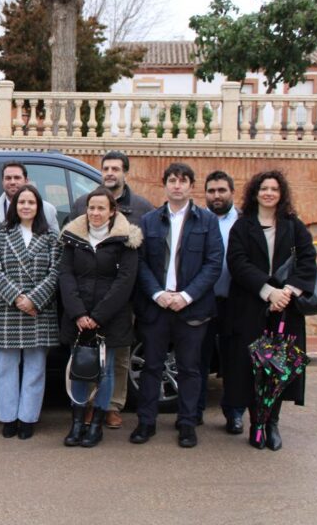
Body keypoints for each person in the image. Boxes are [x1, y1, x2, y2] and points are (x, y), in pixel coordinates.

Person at [130, 163, 222, 449]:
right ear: (165, 185)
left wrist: (186, 296)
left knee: (189, 369)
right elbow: (140, 263)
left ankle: (187, 423)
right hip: (157, 307)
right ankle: (146, 422)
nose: (177, 185)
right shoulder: (149, 221)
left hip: (191, 310)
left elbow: (213, 263)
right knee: (152, 367)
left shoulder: (207, 222)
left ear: (191, 186)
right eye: (172, 180)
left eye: (183, 181)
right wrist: (158, 294)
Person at [224, 170, 317, 451]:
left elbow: (308, 260)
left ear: (281, 194)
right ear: (255, 193)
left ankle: (272, 422)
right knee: (254, 368)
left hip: (285, 312)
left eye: (274, 189)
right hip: (251, 308)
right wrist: (268, 291)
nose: (269, 193)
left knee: (278, 368)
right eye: (264, 188)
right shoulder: (242, 227)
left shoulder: (293, 225)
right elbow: (237, 263)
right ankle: (257, 423)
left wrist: (287, 292)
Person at [68, 150, 154, 429]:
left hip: (122, 301)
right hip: (85, 299)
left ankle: (113, 407)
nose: (110, 173)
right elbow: (71, 246)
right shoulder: (82, 202)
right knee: (87, 357)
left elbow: (143, 256)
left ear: (124, 172)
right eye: (106, 168)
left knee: (118, 358)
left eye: (116, 168)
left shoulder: (141, 207)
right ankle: (90, 406)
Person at [59, 187, 141, 447]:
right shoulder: (73, 238)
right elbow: (66, 276)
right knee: (79, 371)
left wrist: (97, 316)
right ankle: (77, 423)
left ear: (112, 211)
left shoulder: (125, 240)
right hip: (79, 318)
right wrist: (79, 313)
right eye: (91, 207)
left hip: (109, 319)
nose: (95, 212)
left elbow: (125, 281)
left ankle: (96, 425)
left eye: (101, 208)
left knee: (105, 373)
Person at [0, 184, 60, 440]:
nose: (26, 206)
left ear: (38, 207)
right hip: (7, 309)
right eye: (21, 202)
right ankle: (8, 418)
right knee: (5, 369)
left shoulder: (51, 238)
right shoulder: (0, 236)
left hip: (39, 311)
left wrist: (34, 300)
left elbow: (55, 273)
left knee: (35, 368)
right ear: (14, 207)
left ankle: (27, 418)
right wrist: (18, 298)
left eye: (31, 202)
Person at [200, 171, 245, 434]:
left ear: (232, 192)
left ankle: (235, 414)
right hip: (203, 301)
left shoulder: (243, 221)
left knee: (234, 362)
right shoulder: (198, 220)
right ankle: (194, 414)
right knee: (199, 360)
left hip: (234, 303)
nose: (216, 196)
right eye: (212, 191)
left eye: (221, 190)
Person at [0, 161, 59, 233]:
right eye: (8, 178)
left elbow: (55, 244)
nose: (12, 182)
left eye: (17, 178)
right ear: (2, 182)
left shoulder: (48, 210)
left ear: (26, 181)